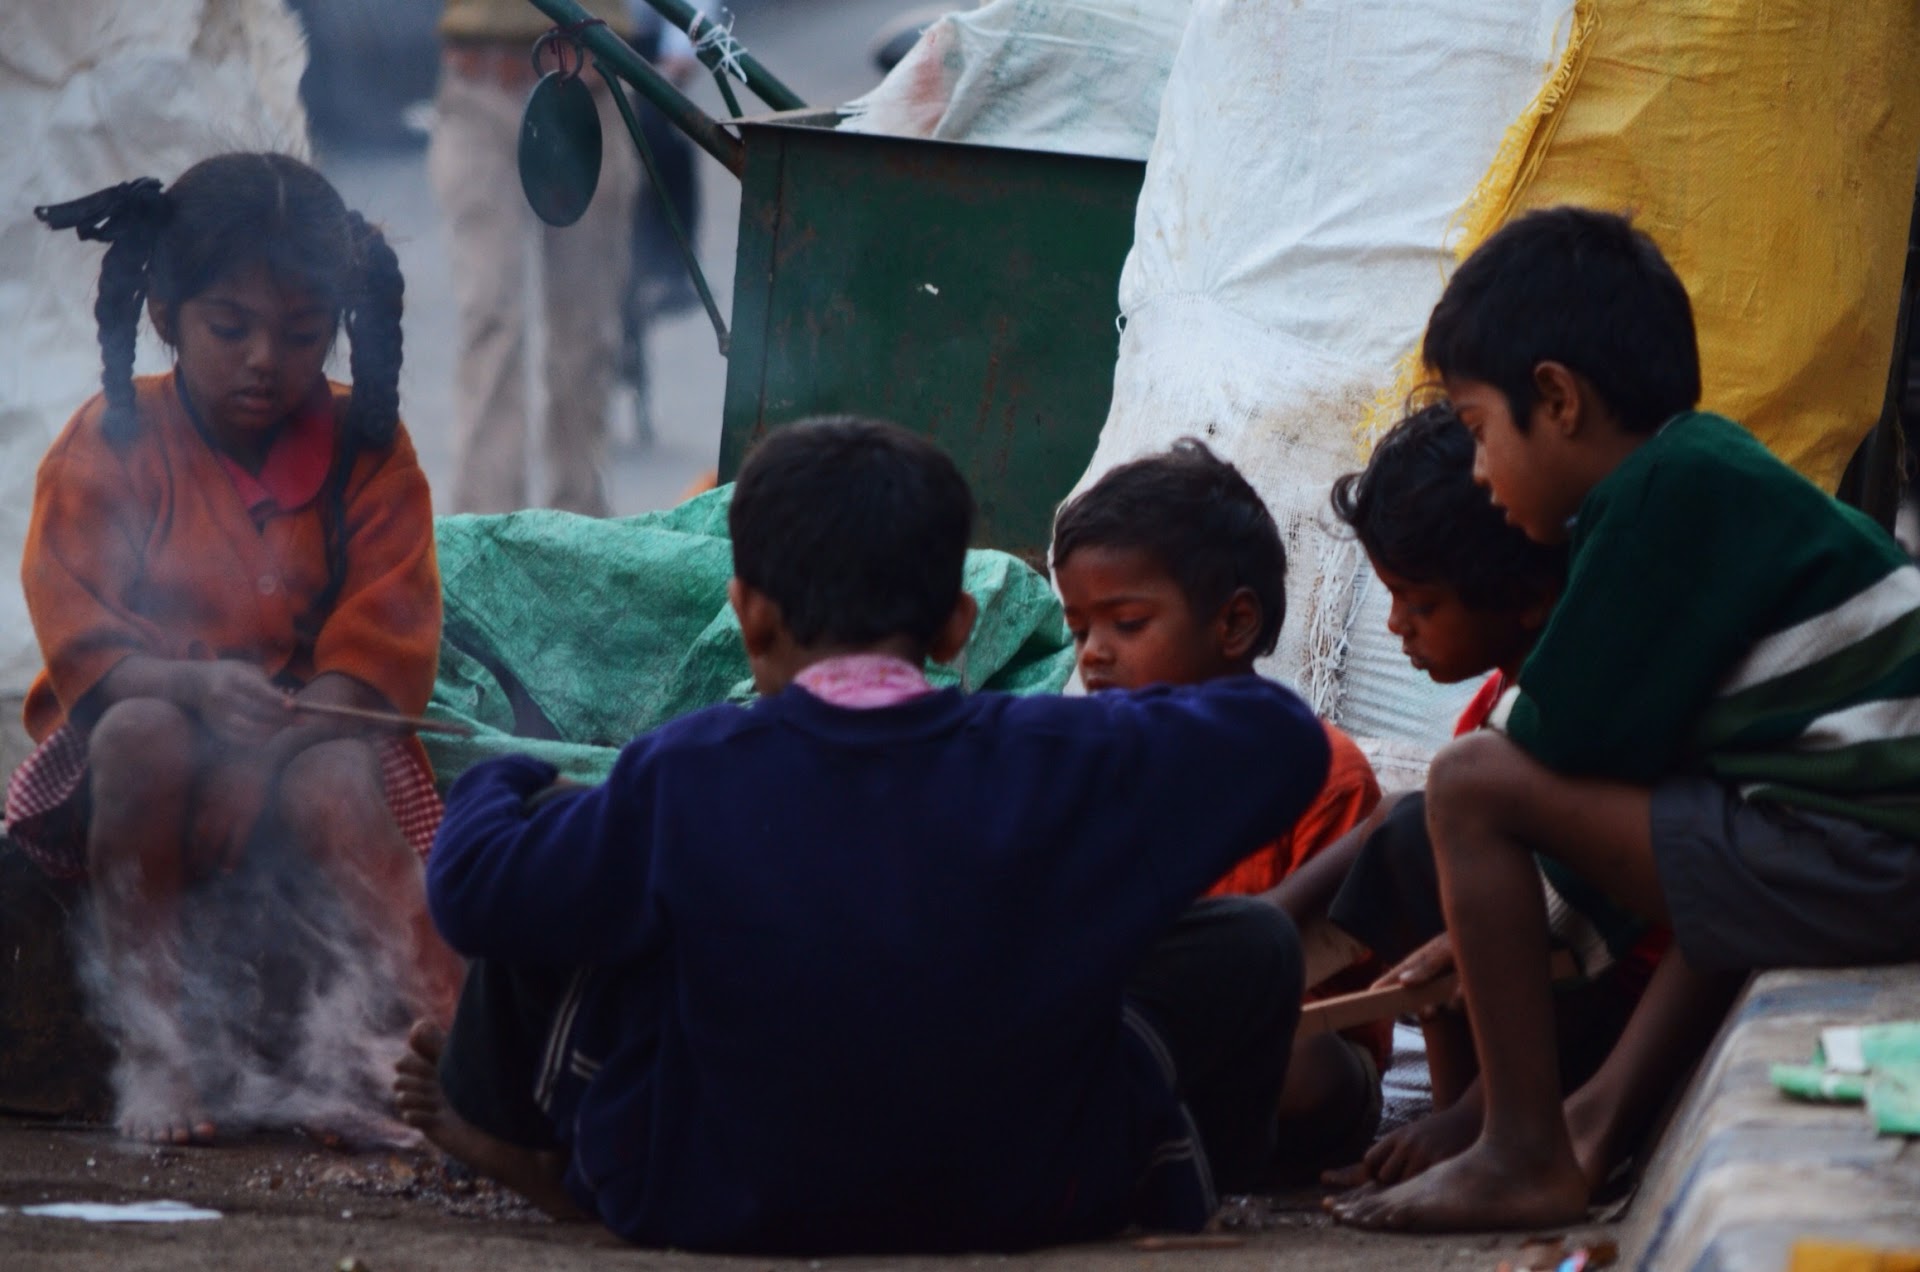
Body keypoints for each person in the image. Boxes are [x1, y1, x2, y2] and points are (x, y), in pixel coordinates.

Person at [393, 418, 1331, 1252]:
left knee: (560, 837)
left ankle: (507, 1129)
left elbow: (472, 891)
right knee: (1245, 942)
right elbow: (1284, 738)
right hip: (1028, 1195)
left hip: (701, 1196)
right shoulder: (1055, 757)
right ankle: (1217, 1178)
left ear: (749, 613)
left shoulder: (685, 773)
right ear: (958, 627)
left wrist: (508, 778)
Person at [1330, 207, 1920, 1233]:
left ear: (1554, 399)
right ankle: (1588, 1129)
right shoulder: (1702, 473)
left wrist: (1482, 934)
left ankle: (1520, 1149)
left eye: (1477, 432)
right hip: (1862, 843)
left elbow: (1535, 757)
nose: (1479, 472)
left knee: (1468, 784)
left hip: (1870, 857)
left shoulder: (1660, 496)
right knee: (1695, 807)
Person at [8, 154, 463, 1146]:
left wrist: (274, 739)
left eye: (302, 335)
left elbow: (386, 638)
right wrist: (190, 690)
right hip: (140, 732)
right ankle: (154, 1049)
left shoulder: (371, 451)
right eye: (231, 328)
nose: (267, 359)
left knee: (337, 780)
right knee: (144, 736)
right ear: (167, 314)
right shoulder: (108, 444)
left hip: (318, 733)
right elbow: (81, 636)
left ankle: (449, 1046)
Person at [1308, 400, 1683, 1194]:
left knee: (1418, 830)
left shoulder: (1587, 707)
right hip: (1545, 999)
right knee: (1415, 840)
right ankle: (1467, 1122)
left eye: (1421, 602)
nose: (1397, 626)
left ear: (1528, 597)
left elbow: (1570, 930)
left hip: (1618, 1006)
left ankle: (1487, 1124)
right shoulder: (1491, 710)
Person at [1050, 439, 1386, 1179]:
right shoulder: (1085, 771)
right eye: (1079, 631)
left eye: (1126, 624)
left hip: (1289, 1045)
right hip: (1140, 1033)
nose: (1092, 655)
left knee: (1303, 1069)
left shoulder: (1324, 776)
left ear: (1233, 625)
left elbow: (1316, 972)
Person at [431, 0, 642, 515]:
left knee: (585, 333)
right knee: (490, 316)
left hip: (591, 87)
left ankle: (579, 529)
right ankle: (485, 529)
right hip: (480, 87)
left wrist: (685, 38)